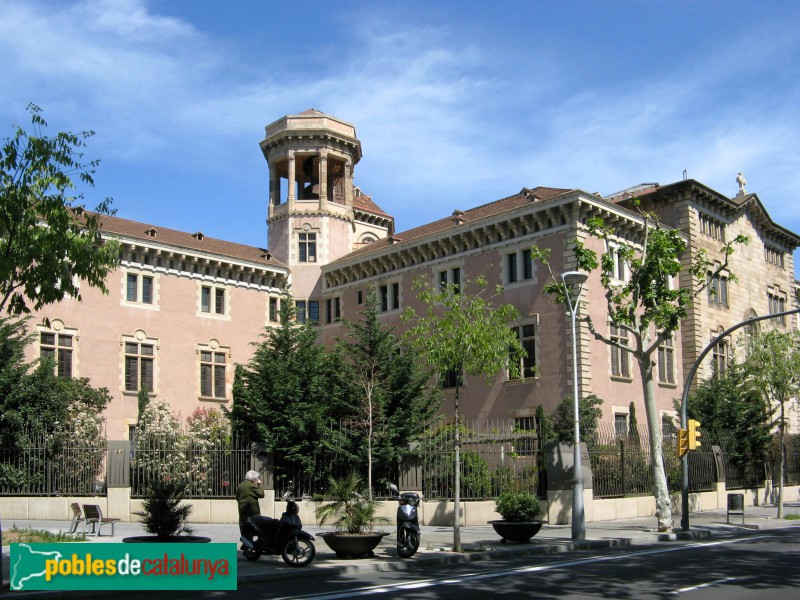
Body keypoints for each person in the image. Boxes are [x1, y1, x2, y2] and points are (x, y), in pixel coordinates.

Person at [236, 470, 264, 543]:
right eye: (256, 479)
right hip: (252, 513)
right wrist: (259, 484)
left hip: (242, 512)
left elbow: (237, 497)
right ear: (253, 479)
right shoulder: (250, 486)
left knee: (245, 529)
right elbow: (261, 494)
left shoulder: (240, 485)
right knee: (256, 529)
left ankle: (246, 543)